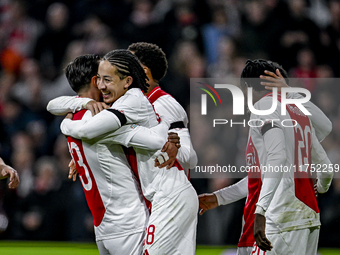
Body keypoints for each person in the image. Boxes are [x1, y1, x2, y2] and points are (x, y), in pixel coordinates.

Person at [58, 49, 198, 255]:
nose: (103, 85)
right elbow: (56, 105)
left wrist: (172, 147)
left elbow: (188, 156)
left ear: (133, 76)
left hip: (168, 195)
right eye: (101, 79)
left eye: (108, 78)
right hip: (153, 198)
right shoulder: (114, 106)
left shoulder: (150, 101)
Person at [199, 59, 333, 255]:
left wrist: (260, 212)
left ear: (247, 86)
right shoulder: (299, 115)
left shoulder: (264, 107)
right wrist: (220, 197)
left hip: (281, 217)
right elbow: (325, 165)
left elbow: (277, 160)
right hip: (307, 217)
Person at [127, 42, 197, 175]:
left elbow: (190, 158)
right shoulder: (135, 105)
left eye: (127, 66)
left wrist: (168, 147)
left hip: (171, 194)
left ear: (144, 72)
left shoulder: (165, 105)